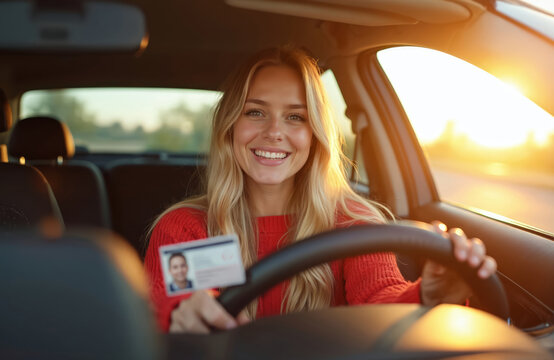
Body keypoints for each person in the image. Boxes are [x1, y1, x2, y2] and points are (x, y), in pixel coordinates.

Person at [144, 45, 497, 334]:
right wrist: (178, 314)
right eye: (255, 112)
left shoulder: (355, 224)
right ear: (229, 126)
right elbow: (172, 307)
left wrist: (427, 295)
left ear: (315, 136)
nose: (274, 132)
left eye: (295, 117)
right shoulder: (187, 228)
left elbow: (380, 301)